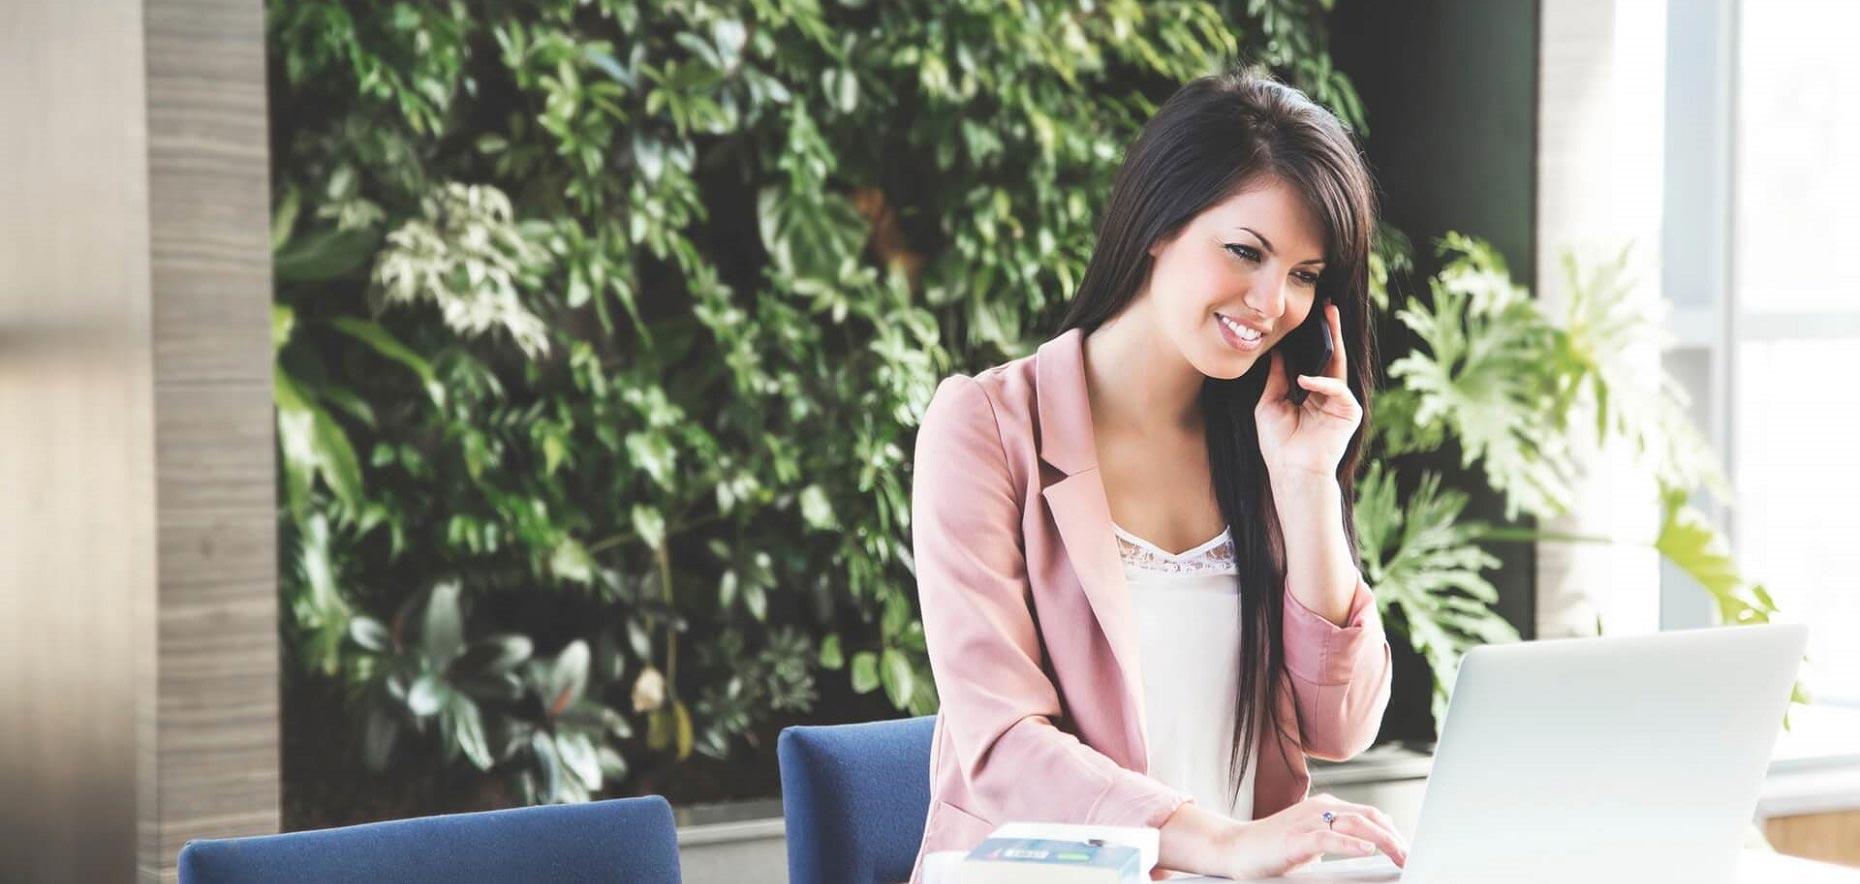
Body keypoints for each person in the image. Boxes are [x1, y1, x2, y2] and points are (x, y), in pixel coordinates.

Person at [907, 66, 1409, 882]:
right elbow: (999, 744)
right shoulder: (988, 426)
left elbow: (1342, 725)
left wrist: (1309, 486)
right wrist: (1219, 841)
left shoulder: (1268, 442)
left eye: (1305, 275)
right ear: (1156, 224)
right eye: (1246, 251)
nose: (1270, 300)